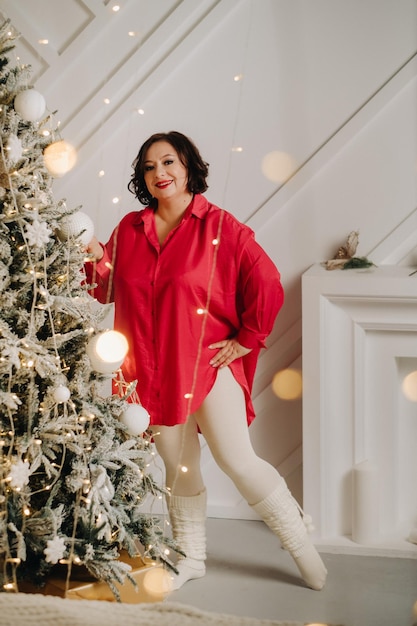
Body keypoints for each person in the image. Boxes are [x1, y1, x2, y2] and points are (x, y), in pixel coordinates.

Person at [85, 131, 327, 591]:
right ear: (142, 178)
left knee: (238, 460)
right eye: (150, 166)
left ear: (188, 167)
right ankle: (191, 558)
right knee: (179, 469)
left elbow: (268, 280)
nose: (161, 173)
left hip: (206, 365)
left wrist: (247, 338)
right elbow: (105, 287)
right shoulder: (129, 231)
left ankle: (300, 545)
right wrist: (94, 256)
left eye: (169, 162)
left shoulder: (221, 228)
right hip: (149, 373)